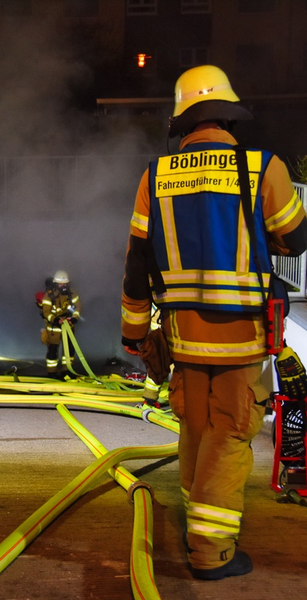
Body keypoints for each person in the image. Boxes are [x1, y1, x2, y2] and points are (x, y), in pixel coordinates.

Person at [121, 65, 307, 580]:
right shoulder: (261, 168)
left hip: (183, 340)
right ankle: (210, 551)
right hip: (243, 341)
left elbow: (138, 265)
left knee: (196, 431)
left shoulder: (154, 177)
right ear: (227, 113)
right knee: (230, 435)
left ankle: (194, 526)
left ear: (184, 119)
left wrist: (135, 335)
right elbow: (296, 238)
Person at [38, 270, 81, 379]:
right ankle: (52, 373)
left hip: (68, 326)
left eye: (65, 283)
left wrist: (74, 318)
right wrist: (56, 320)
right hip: (54, 328)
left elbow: (78, 306)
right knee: (53, 351)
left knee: (70, 349)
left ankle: (67, 371)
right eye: (61, 283)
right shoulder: (49, 295)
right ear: (56, 284)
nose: (63, 285)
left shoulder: (71, 293)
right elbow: (46, 312)